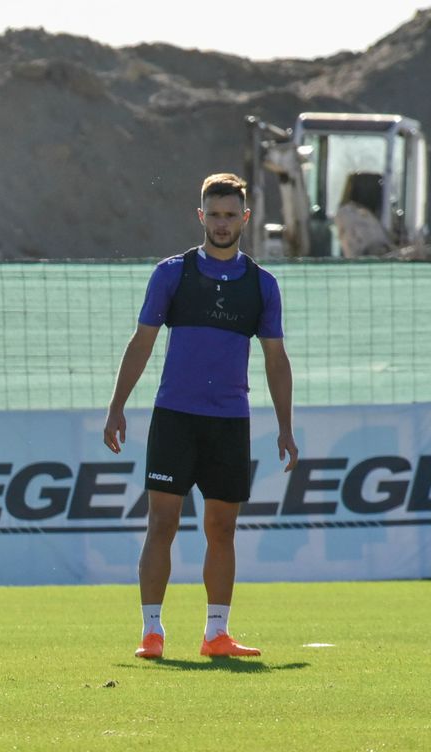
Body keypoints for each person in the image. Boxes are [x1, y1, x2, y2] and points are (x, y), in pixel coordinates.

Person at [104, 173, 298, 661]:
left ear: (245, 219)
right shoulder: (172, 273)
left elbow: (276, 358)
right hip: (175, 417)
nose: (222, 223)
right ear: (200, 217)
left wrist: (286, 426)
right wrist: (116, 406)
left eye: (231, 215)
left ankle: (217, 633)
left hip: (229, 421)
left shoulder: (261, 285)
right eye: (214, 214)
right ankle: (152, 631)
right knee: (162, 524)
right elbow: (142, 343)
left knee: (222, 528)